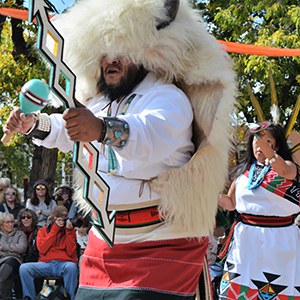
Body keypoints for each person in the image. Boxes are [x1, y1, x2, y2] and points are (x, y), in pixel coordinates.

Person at [2, 0, 236, 298]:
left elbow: (150, 134)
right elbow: (66, 127)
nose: (110, 61)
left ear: (144, 52)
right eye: (104, 52)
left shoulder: (167, 97)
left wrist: (99, 129)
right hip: (105, 241)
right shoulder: (100, 102)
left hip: (161, 241)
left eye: (120, 52)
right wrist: (32, 123)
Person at [218, 122, 300, 299]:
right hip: (246, 241)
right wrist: (208, 194)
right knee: (238, 288)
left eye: (266, 141)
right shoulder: (243, 174)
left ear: (277, 145)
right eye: (256, 141)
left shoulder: (288, 168)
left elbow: (285, 170)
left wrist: (266, 148)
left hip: (279, 241)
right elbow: (231, 204)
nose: (259, 145)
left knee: (276, 287)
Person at [19, 205, 79, 300]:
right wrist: (55, 229)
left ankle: (69, 297)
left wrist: (68, 231)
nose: (62, 221)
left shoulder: (69, 231)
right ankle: (29, 297)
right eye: (60, 218)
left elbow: (71, 252)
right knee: (24, 268)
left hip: (63, 265)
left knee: (71, 267)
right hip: (45, 264)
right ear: (53, 219)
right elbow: (42, 249)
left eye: (64, 218)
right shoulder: (42, 230)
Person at [0, 212, 27, 299]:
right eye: (7, 222)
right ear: (1, 224)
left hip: (15, 260)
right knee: (7, 275)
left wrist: (3, 247)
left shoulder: (20, 234)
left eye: (12, 222)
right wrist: (12, 248)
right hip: (1, 260)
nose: (10, 224)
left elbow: (21, 248)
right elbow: (16, 248)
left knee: (10, 261)